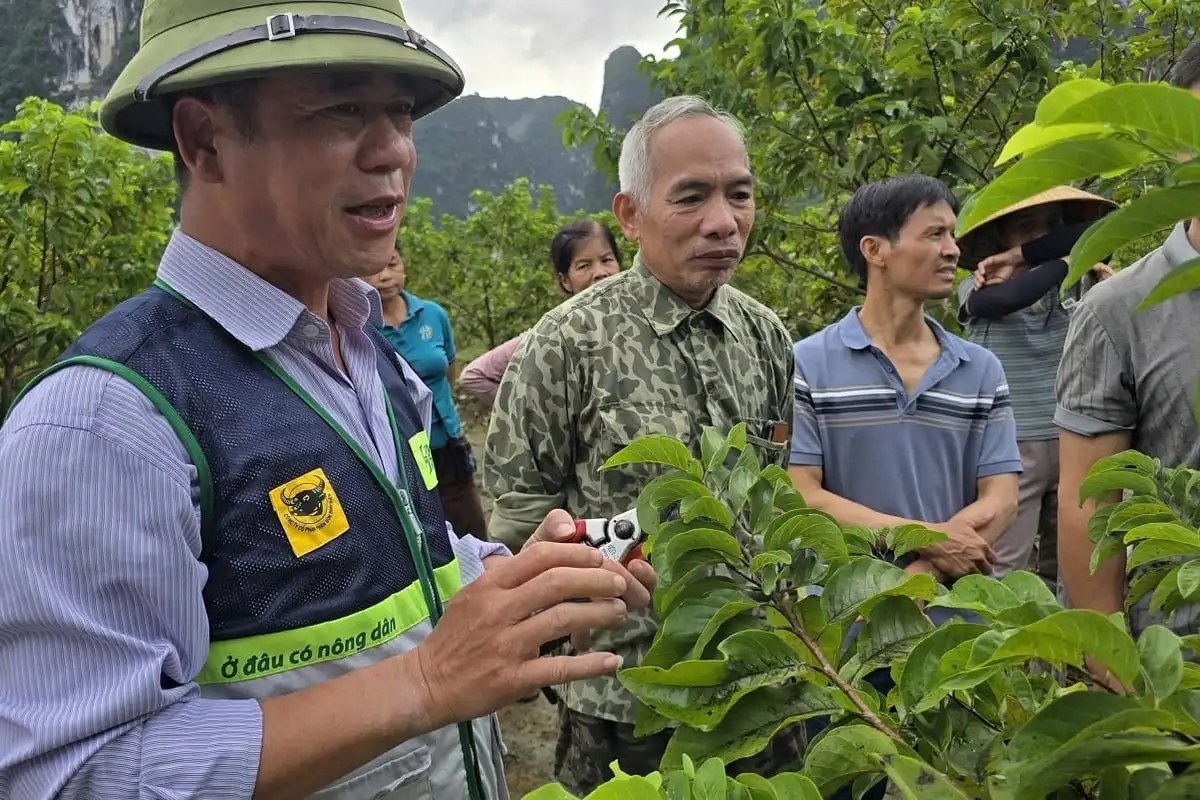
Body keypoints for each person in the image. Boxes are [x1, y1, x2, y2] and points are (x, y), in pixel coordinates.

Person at [0, 2, 656, 798]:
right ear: (204, 139)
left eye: (401, 112)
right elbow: (65, 775)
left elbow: (412, 571)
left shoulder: (371, 353)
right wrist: (425, 682)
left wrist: (521, 582)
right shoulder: (106, 424)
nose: (395, 152)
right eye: (342, 108)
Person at [482, 95, 799, 795]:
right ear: (631, 214)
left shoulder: (767, 337)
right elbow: (517, 511)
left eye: (739, 194)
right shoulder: (569, 342)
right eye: (691, 197)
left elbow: (774, 489)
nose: (724, 221)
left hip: (760, 678)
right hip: (624, 695)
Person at [789, 175, 1022, 583]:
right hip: (843, 616)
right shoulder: (807, 365)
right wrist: (926, 539)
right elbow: (802, 496)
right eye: (934, 234)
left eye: (952, 235)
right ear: (875, 250)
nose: (952, 250)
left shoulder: (981, 370)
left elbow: (1001, 500)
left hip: (962, 619)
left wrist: (918, 577)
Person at [1056, 45, 1200, 670]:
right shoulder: (1118, 310)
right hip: (1180, 665)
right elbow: (1089, 503)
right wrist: (1108, 667)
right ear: (1173, 147)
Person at [954, 187, 1117, 583]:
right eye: (1025, 228)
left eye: (1051, 227)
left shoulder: (1082, 282)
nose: (1039, 235)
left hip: (1073, 438)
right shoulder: (983, 285)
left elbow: (1109, 229)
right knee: (1003, 560)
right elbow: (1007, 300)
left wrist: (1027, 255)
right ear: (1001, 239)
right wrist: (1065, 259)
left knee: (1072, 563)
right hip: (1010, 445)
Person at [367, 245, 488, 541]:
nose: (384, 277)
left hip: (448, 442)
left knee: (471, 527)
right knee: (425, 536)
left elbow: (447, 370)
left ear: (404, 266)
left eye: (391, 264)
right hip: (401, 451)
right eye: (372, 271)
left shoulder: (433, 315)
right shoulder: (360, 327)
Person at [458, 219, 622, 406]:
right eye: (584, 266)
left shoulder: (644, 323)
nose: (600, 272)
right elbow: (474, 376)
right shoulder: (550, 336)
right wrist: (527, 414)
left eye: (607, 260)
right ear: (565, 281)